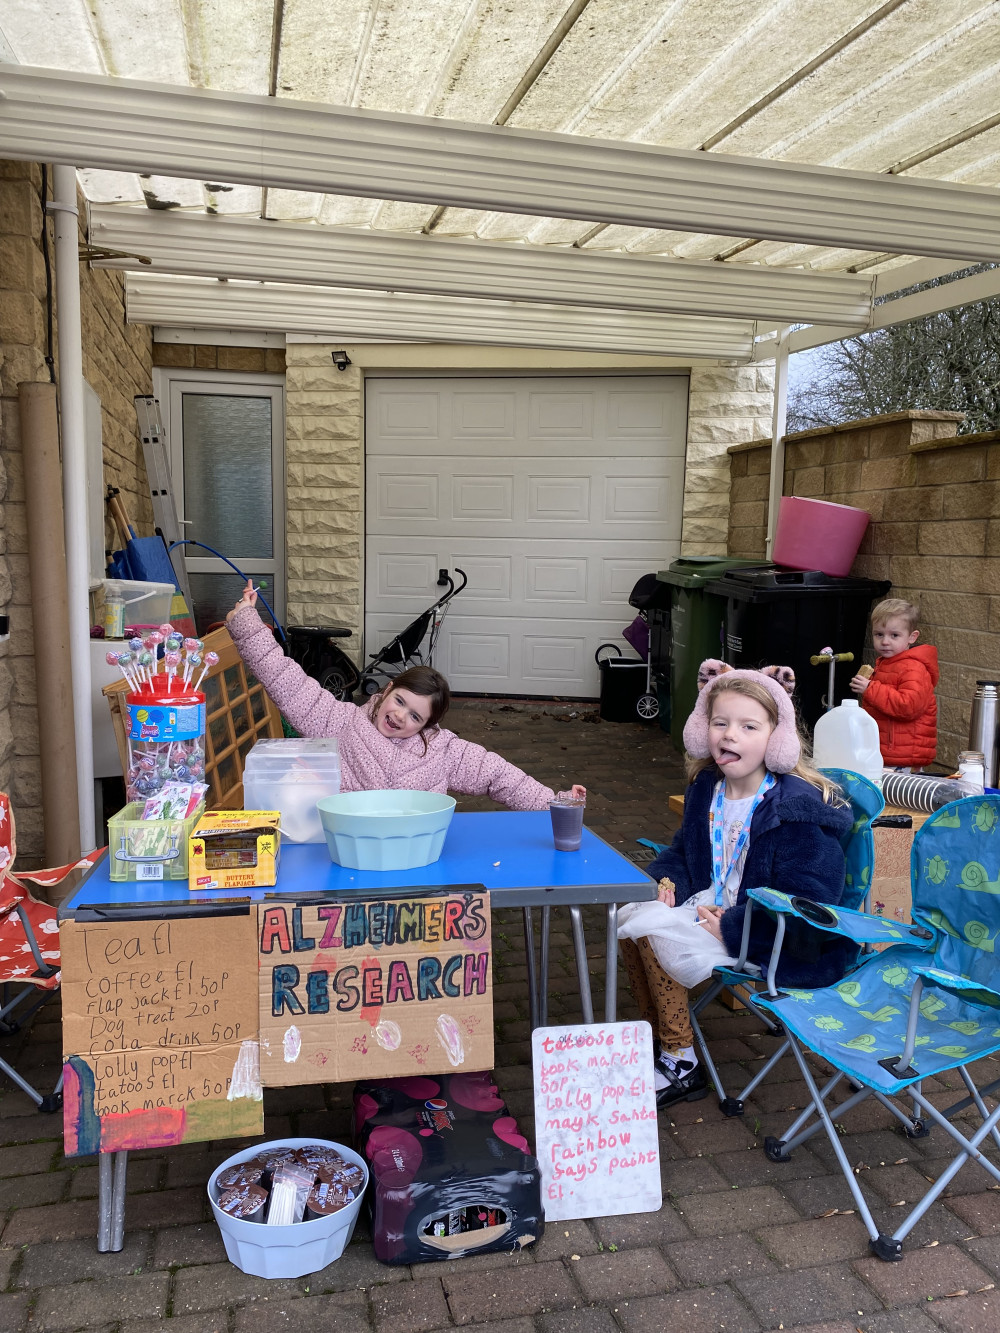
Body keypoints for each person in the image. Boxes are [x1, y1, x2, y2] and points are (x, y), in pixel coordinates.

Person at [617, 659, 852, 1110]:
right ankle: (662, 1044)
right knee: (632, 915)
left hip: (766, 934)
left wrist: (733, 925)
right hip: (710, 905)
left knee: (651, 931)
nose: (730, 735)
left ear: (778, 740)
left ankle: (681, 1062)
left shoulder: (796, 811)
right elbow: (687, 851)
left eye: (748, 726)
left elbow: (810, 905)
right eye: (720, 723)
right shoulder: (709, 787)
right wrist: (666, 881)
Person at [225, 582, 585, 809]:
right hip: (351, 856)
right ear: (385, 692)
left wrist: (559, 803)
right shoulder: (340, 722)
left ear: (429, 726)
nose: (400, 716)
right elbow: (286, 680)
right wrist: (247, 623)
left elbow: (502, 777)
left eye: (416, 717)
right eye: (400, 701)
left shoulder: (444, 751)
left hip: (419, 860)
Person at [849, 598, 938, 771]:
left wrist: (870, 688)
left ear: (912, 637)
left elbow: (908, 706)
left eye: (894, 635)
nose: (885, 641)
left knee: (899, 797)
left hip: (902, 756)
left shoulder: (913, 667)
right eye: (879, 634)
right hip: (888, 752)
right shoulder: (886, 663)